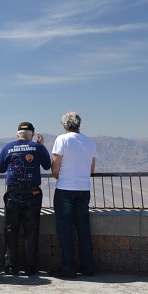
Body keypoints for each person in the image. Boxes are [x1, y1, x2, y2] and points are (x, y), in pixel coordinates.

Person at [0, 121, 52, 275]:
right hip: (33, 193)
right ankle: (31, 267)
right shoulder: (37, 147)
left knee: (11, 229)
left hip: (13, 193)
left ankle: (11, 266)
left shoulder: (7, 147)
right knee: (31, 230)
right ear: (32, 134)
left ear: (17, 134)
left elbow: (0, 168)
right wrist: (40, 146)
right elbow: (47, 165)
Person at [51, 111, 97, 277]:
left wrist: (59, 176)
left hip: (65, 189)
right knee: (83, 228)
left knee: (65, 229)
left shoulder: (62, 139)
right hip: (83, 189)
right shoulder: (90, 142)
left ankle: (68, 267)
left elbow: (55, 167)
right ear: (79, 124)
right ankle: (88, 266)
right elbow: (92, 169)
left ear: (65, 125)